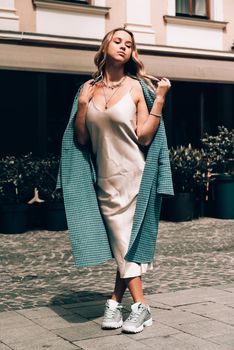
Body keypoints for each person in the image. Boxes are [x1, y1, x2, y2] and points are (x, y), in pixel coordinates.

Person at [57, 27, 173, 334]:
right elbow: (81, 138)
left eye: (129, 44)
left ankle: (139, 307)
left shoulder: (136, 88)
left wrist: (159, 98)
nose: (123, 46)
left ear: (132, 53)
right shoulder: (87, 90)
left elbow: (145, 136)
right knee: (124, 244)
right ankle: (115, 302)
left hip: (136, 177)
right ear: (105, 46)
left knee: (124, 241)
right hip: (105, 181)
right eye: (117, 41)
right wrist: (83, 106)